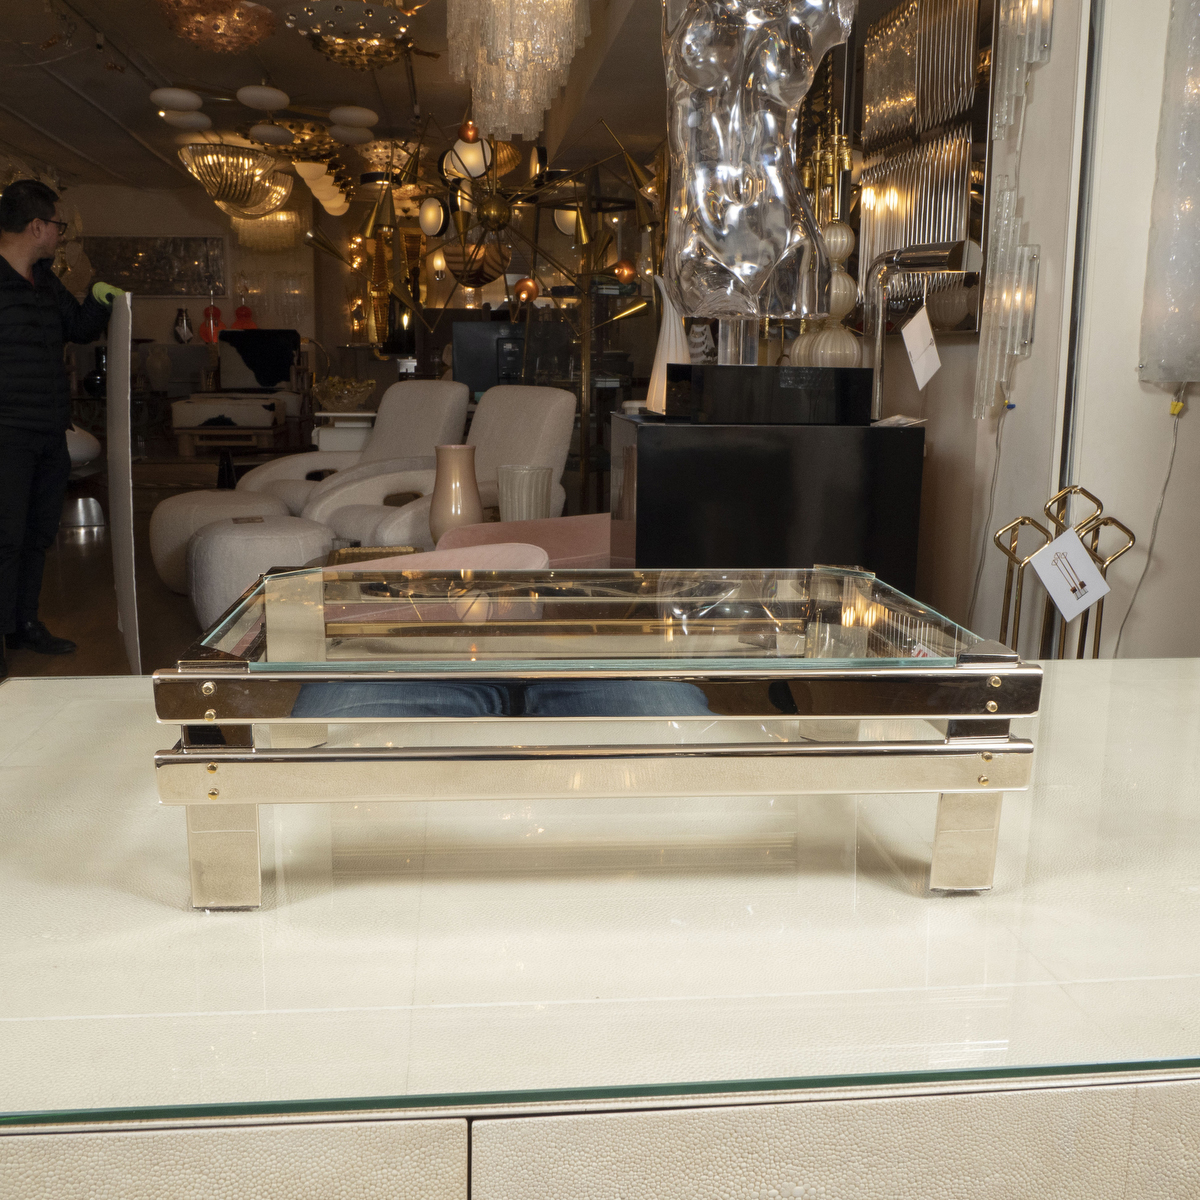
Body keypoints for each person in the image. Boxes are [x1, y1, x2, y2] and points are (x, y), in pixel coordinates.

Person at [0, 179, 120, 680]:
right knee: (5, 538)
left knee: (37, 535)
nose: (60, 234)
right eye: (57, 225)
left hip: (50, 431)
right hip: (7, 433)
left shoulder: (45, 280)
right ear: (36, 226)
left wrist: (101, 298)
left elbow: (79, 328)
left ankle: (23, 624)